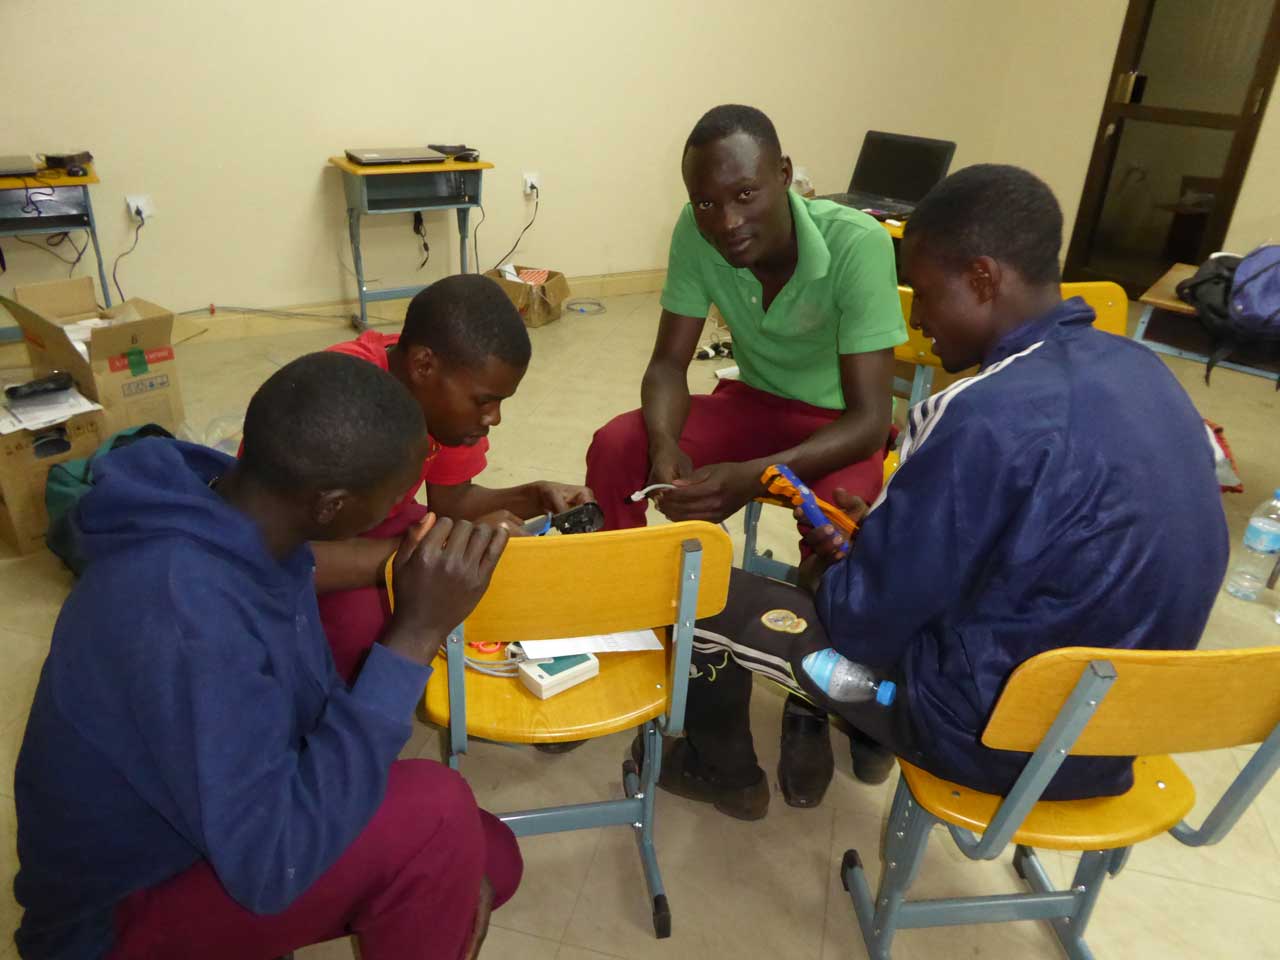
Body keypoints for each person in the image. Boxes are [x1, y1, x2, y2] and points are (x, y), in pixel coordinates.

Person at [643, 164, 1229, 820]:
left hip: (981, 735)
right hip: (1119, 735)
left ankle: (723, 771)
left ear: (983, 278)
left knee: (709, 591)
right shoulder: (1147, 373)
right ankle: (853, 735)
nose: (917, 321)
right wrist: (887, 542)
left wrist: (829, 567)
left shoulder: (977, 412)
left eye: (924, 293)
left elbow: (862, 624)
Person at [13, 353, 521, 959]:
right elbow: (270, 865)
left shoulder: (250, 524)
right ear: (331, 505)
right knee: (438, 820)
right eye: (389, 501)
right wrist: (415, 633)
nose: (394, 517)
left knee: (489, 855)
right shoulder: (182, 612)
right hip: (113, 920)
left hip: (207, 834)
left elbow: (301, 720)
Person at [585, 104, 907, 803]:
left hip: (834, 425)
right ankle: (625, 633)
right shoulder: (696, 233)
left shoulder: (858, 246)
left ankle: (810, 702)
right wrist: (666, 444)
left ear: (785, 177)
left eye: (744, 195)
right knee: (619, 446)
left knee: (842, 523)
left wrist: (755, 477)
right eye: (705, 202)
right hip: (752, 402)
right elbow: (669, 365)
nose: (725, 220)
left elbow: (868, 418)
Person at [314, 274, 593, 685]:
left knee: (483, 568)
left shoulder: (445, 399)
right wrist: (435, 549)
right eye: (485, 400)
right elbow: (291, 556)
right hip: (298, 553)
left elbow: (452, 501)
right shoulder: (338, 404)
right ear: (423, 365)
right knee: (365, 627)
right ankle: (349, 726)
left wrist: (535, 495)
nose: (494, 418)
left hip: (377, 524)